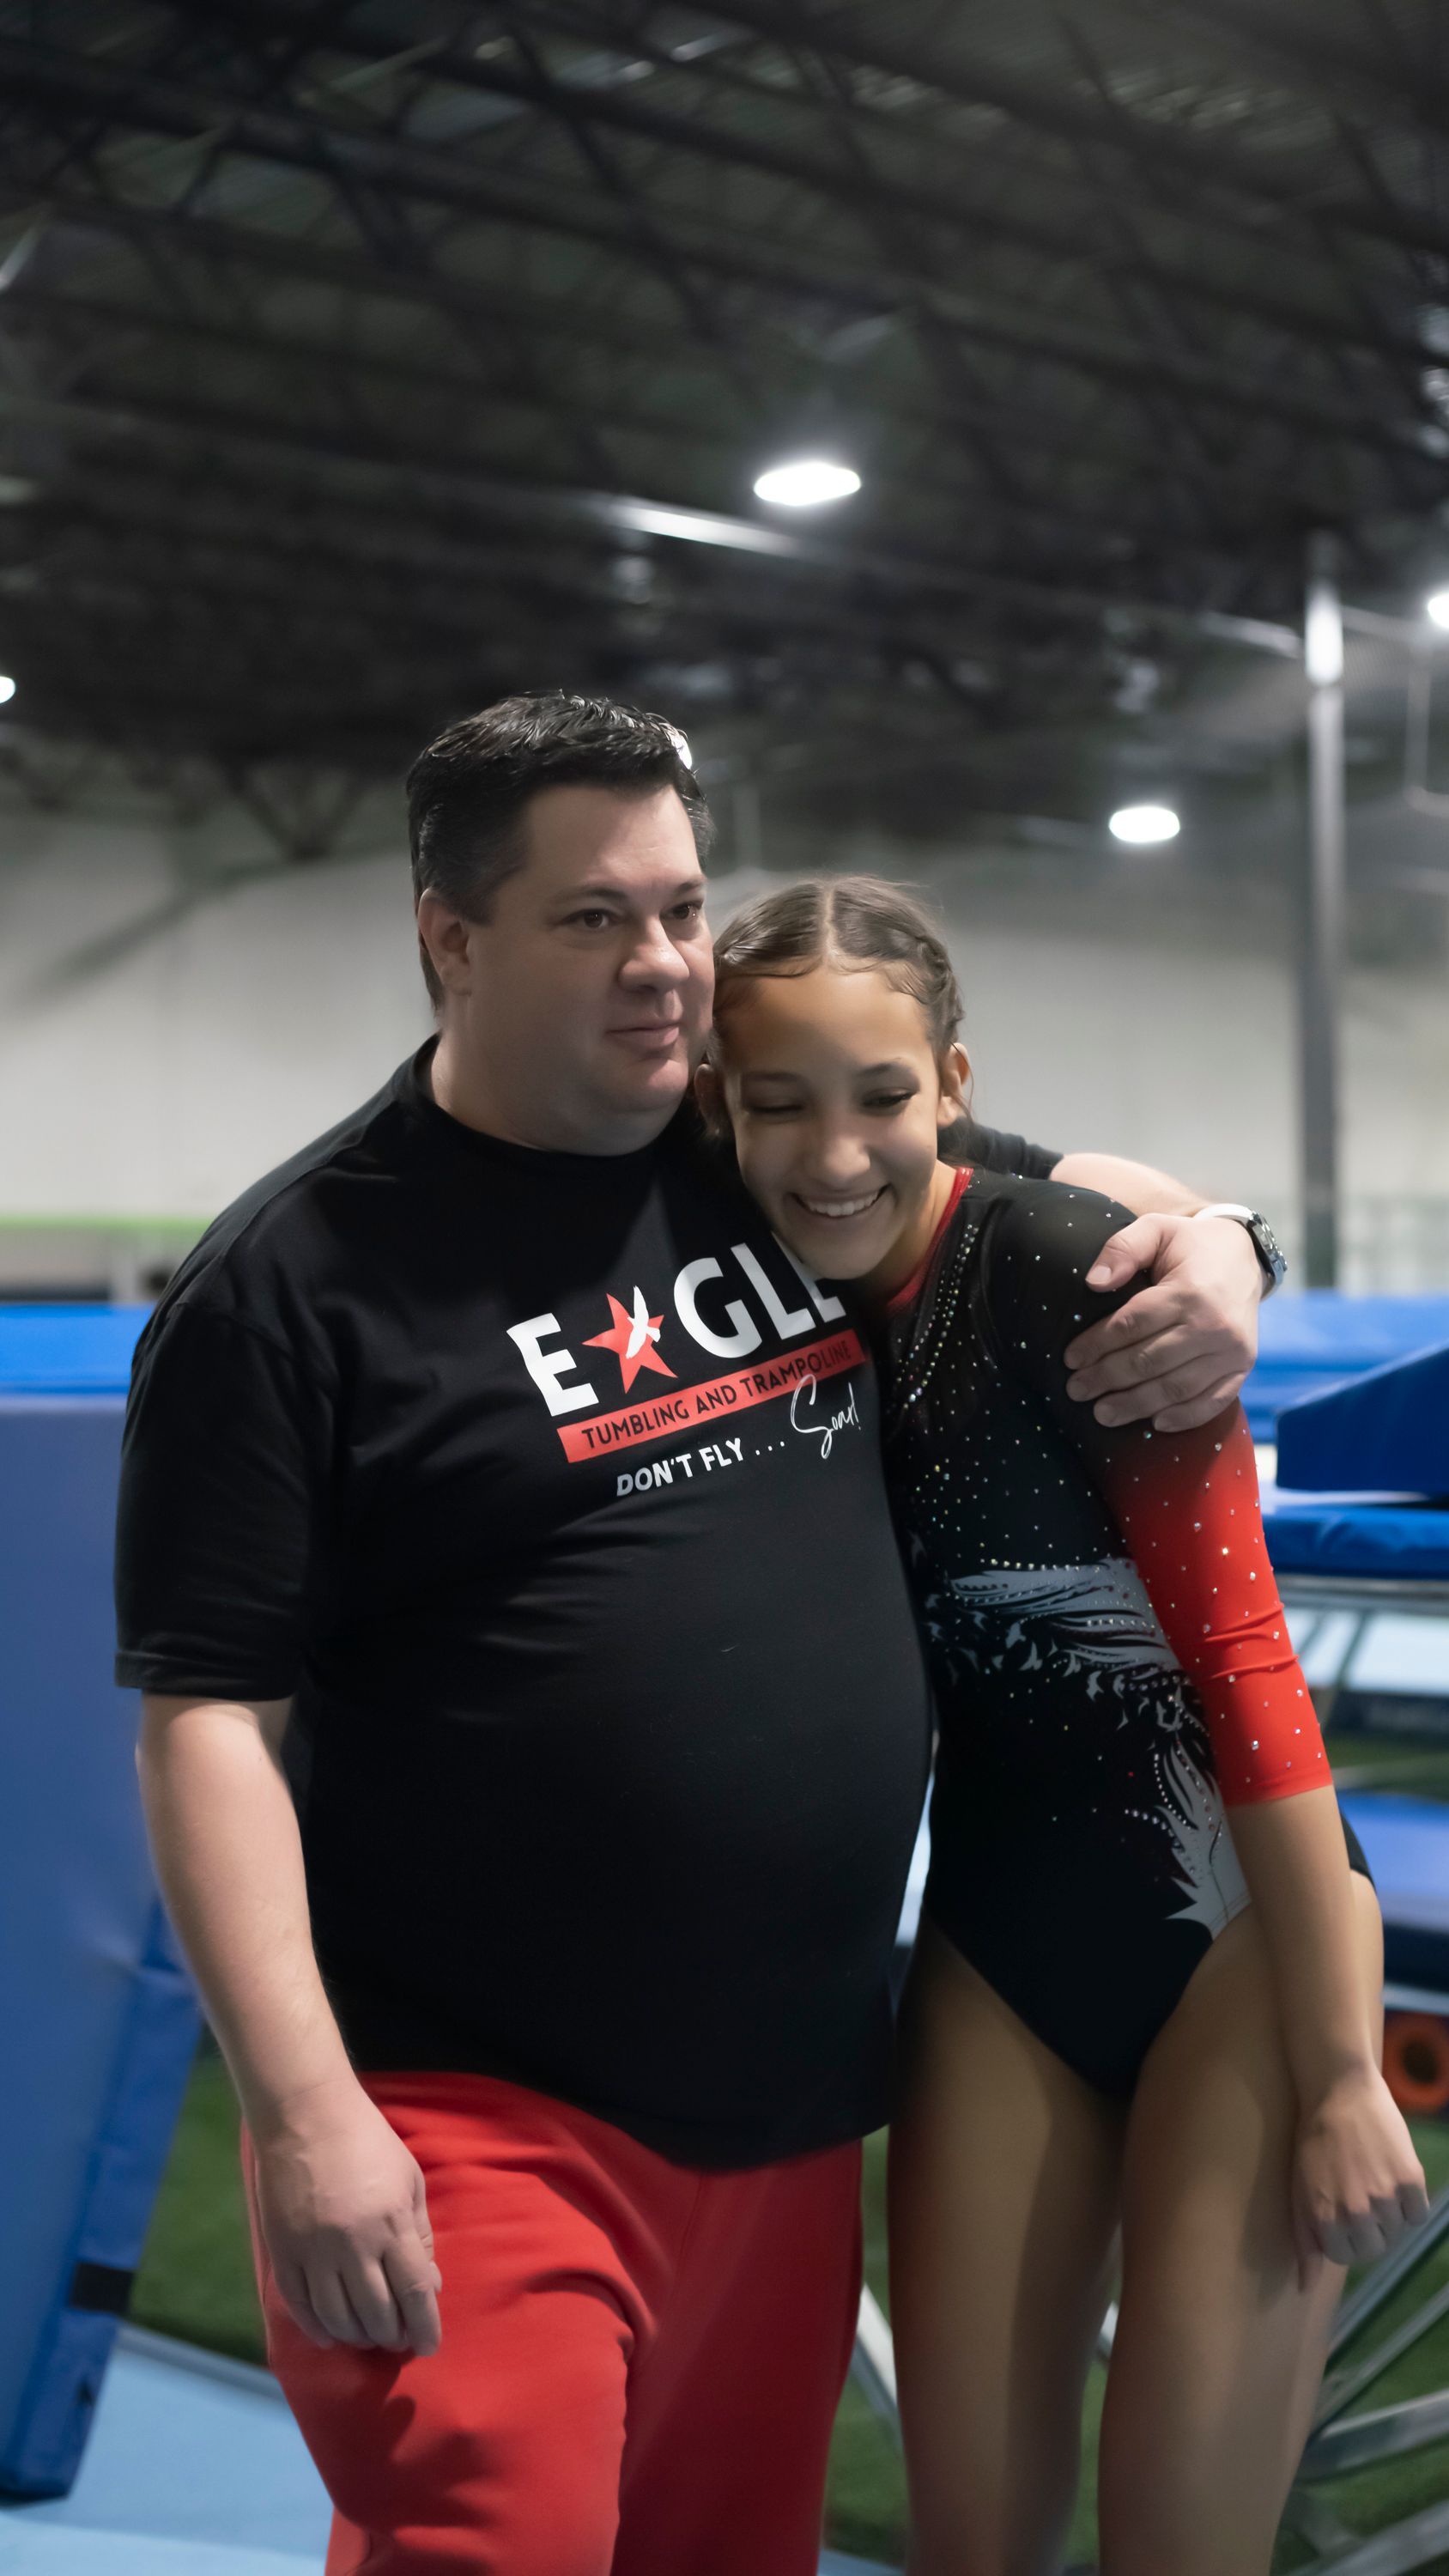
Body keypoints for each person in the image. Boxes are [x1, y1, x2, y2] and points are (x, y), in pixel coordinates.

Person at [117, 697, 1280, 2576]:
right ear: (450, 939)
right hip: (474, 2112)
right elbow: (207, 1726)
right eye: (594, 918)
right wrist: (306, 2114)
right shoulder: (290, 1292)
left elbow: (1085, 1198)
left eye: (679, 906)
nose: (667, 966)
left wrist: (1227, 1240)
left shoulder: (748, 1140)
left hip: (788, 2103)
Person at [701, 873, 1430, 2576]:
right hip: (1005, 1933)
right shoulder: (736, 1296)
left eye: (879, 1097)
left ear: (952, 1082)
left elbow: (1250, 1672)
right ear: (715, 1109)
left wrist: (1340, 2072)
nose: (830, 1154)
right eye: (777, 1105)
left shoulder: (1054, 1271)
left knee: (1176, 2542)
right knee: (973, 2539)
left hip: (1251, 1941)